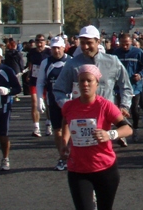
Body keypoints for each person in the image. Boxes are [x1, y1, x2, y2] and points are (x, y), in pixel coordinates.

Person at [61, 65, 133, 210]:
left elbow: (127, 128)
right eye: (81, 81)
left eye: (89, 81)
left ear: (96, 84)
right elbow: (65, 126)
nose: (84, 85)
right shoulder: (69, 106)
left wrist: (109, 134)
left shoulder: (104, 106)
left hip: (104, 168)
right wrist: (64, 144)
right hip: (78, 169)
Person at [53, 25, 132, 121]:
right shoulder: (72, 64)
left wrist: (124, 106)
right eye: (82, 43)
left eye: (89, 43)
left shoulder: (113, 62)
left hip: (108, 117)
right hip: (82, 119)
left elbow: (126, 87)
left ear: (98, 42)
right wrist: (69, 106)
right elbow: (59, 90)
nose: (85, 47)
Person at [109, 33, 143, 142]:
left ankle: (135, 129)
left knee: (134, 110)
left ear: (131, 42)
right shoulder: (116, 54)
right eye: (122, 44)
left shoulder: (138, 52)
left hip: (134, 86)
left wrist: (140, 75)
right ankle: (122, 133)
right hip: (119, 87)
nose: (125, 46)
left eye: (127, 44)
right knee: (119, 111)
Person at [37, 36, 71, 170]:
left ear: (64, 47)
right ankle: (62, 157)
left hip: (69, 101)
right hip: (53, 100)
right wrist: (40, 99)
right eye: (53, 48)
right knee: (57, 131)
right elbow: (40, 82)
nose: (56, 51)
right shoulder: (46, 62)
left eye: (58, 48)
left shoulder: (71, 61)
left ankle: (71, 154)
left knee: (69, 130)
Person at [25, 34, 52, 137]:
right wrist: (28, 74)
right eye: (37, 41)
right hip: (34, 80)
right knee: (35, 102)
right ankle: (36, 127)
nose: (39, 43)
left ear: (45, 42)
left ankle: (48, 123)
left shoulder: (49, 52)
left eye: (41, 41)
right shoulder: (32, 52)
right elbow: (30, 64)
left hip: (45, 81)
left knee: (47, 103)